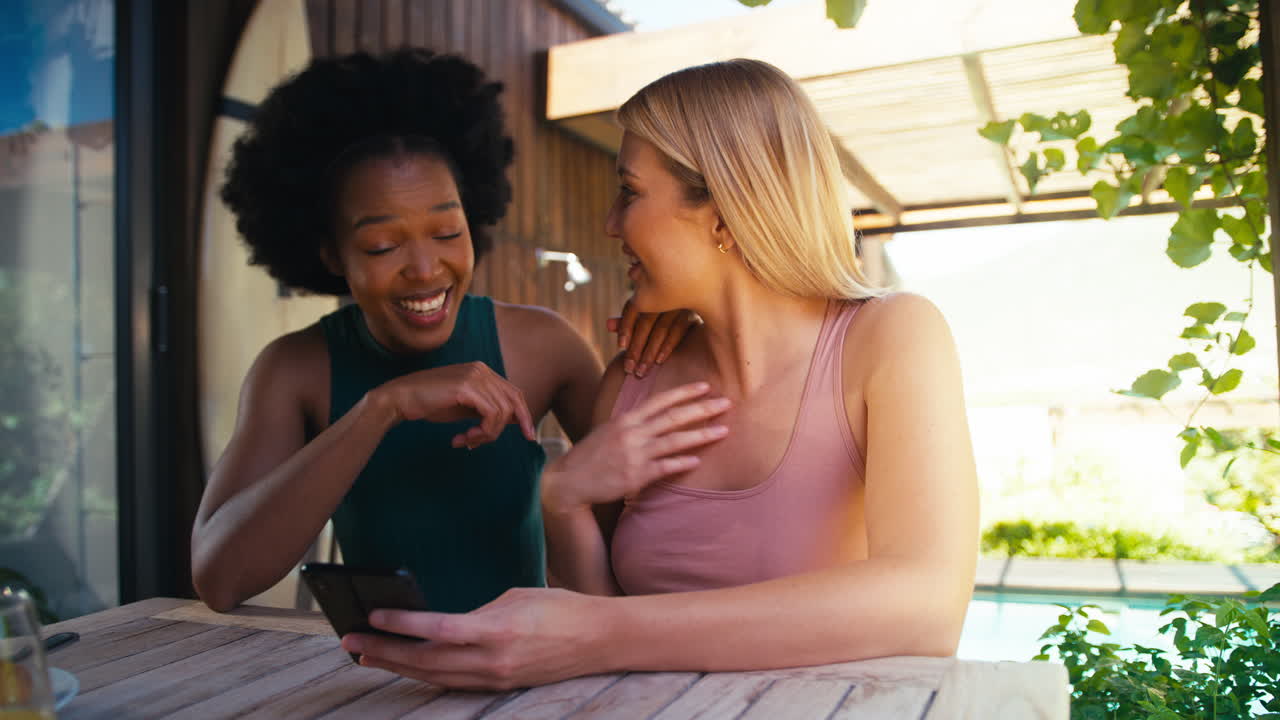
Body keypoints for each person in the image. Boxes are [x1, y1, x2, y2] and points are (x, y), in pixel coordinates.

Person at [338, 58, 980, 689]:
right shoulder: (633, 381)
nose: (612, 222)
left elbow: (926, 604)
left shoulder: (891, 336)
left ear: (724, 211)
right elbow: (593, 662)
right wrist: (560, 501)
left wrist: (602, 631)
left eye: (630, 191)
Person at [190, 49, 693, 614]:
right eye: (383, 246)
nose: (426, 269)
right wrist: (382, 407)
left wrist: (685, 324)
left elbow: (652, 519)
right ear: (330, 252)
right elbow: (220, 577)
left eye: (448, 232)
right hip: (381, 682)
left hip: (524, 680)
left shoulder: (541, 348)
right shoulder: (296, 370)